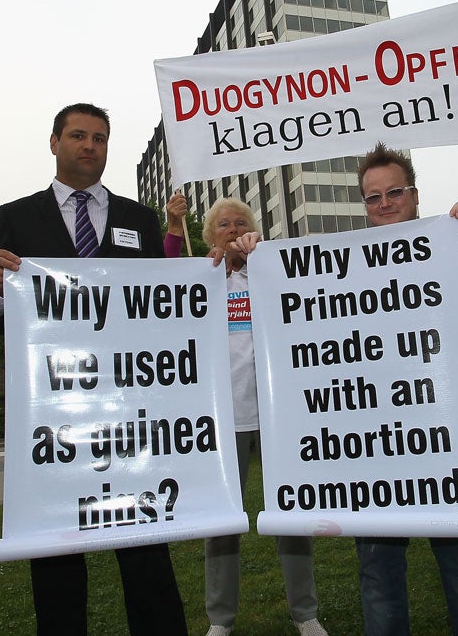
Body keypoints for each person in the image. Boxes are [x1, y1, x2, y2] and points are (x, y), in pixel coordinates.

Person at [0, 102, 187, 636]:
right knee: (55, 553)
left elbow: (160, 309)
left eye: (99, 137)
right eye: (77, 135)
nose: (89, 146)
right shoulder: (17, 216)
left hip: (128, 406)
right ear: (54, 142)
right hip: (53, 408)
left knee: (145, 548)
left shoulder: (139, 219)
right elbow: (7, 317)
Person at [354, 143, 458, 636]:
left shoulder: (446, 248)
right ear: (364, 205)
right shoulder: (342, 265)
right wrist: (253, 255)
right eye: (373, 197)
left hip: (445, 431)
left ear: (414, 195)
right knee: (377, 570)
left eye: (394, 192)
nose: (385, 204)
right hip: (370, 439)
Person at [198, 197, 328, 636]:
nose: (232, 230)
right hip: (225, 418)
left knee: (291, 515)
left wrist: (257, 262)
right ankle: (220, 619)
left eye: (241, 223)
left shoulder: (269, 274)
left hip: (277, 416)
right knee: (223, 522)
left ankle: (305, 613)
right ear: (210, 235)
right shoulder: (201, 280)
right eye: (223, 225)